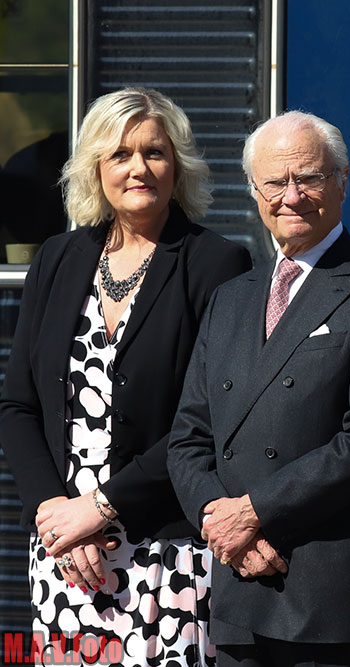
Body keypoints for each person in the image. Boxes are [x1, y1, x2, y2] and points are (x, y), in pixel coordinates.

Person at [0, 87, 251, 664]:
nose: (138, 167)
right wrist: (54, 514)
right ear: (96, 167)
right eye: (120, 154)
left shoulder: (216, 264)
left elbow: (210, 420)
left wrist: (100, 508)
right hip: (65, 555)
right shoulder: (56, 258)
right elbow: (18, 406)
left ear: (177, 165)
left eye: (154, 152)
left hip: (164, 555)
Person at [166, 111, 350, 667]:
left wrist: (254, 512)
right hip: (238, 581)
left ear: (342, 182)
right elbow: (188, 436)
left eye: (308, 178)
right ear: (254, 191)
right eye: (275, 182)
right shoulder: (231, 297)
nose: (292, 196)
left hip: (330, 594)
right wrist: (220, 521)